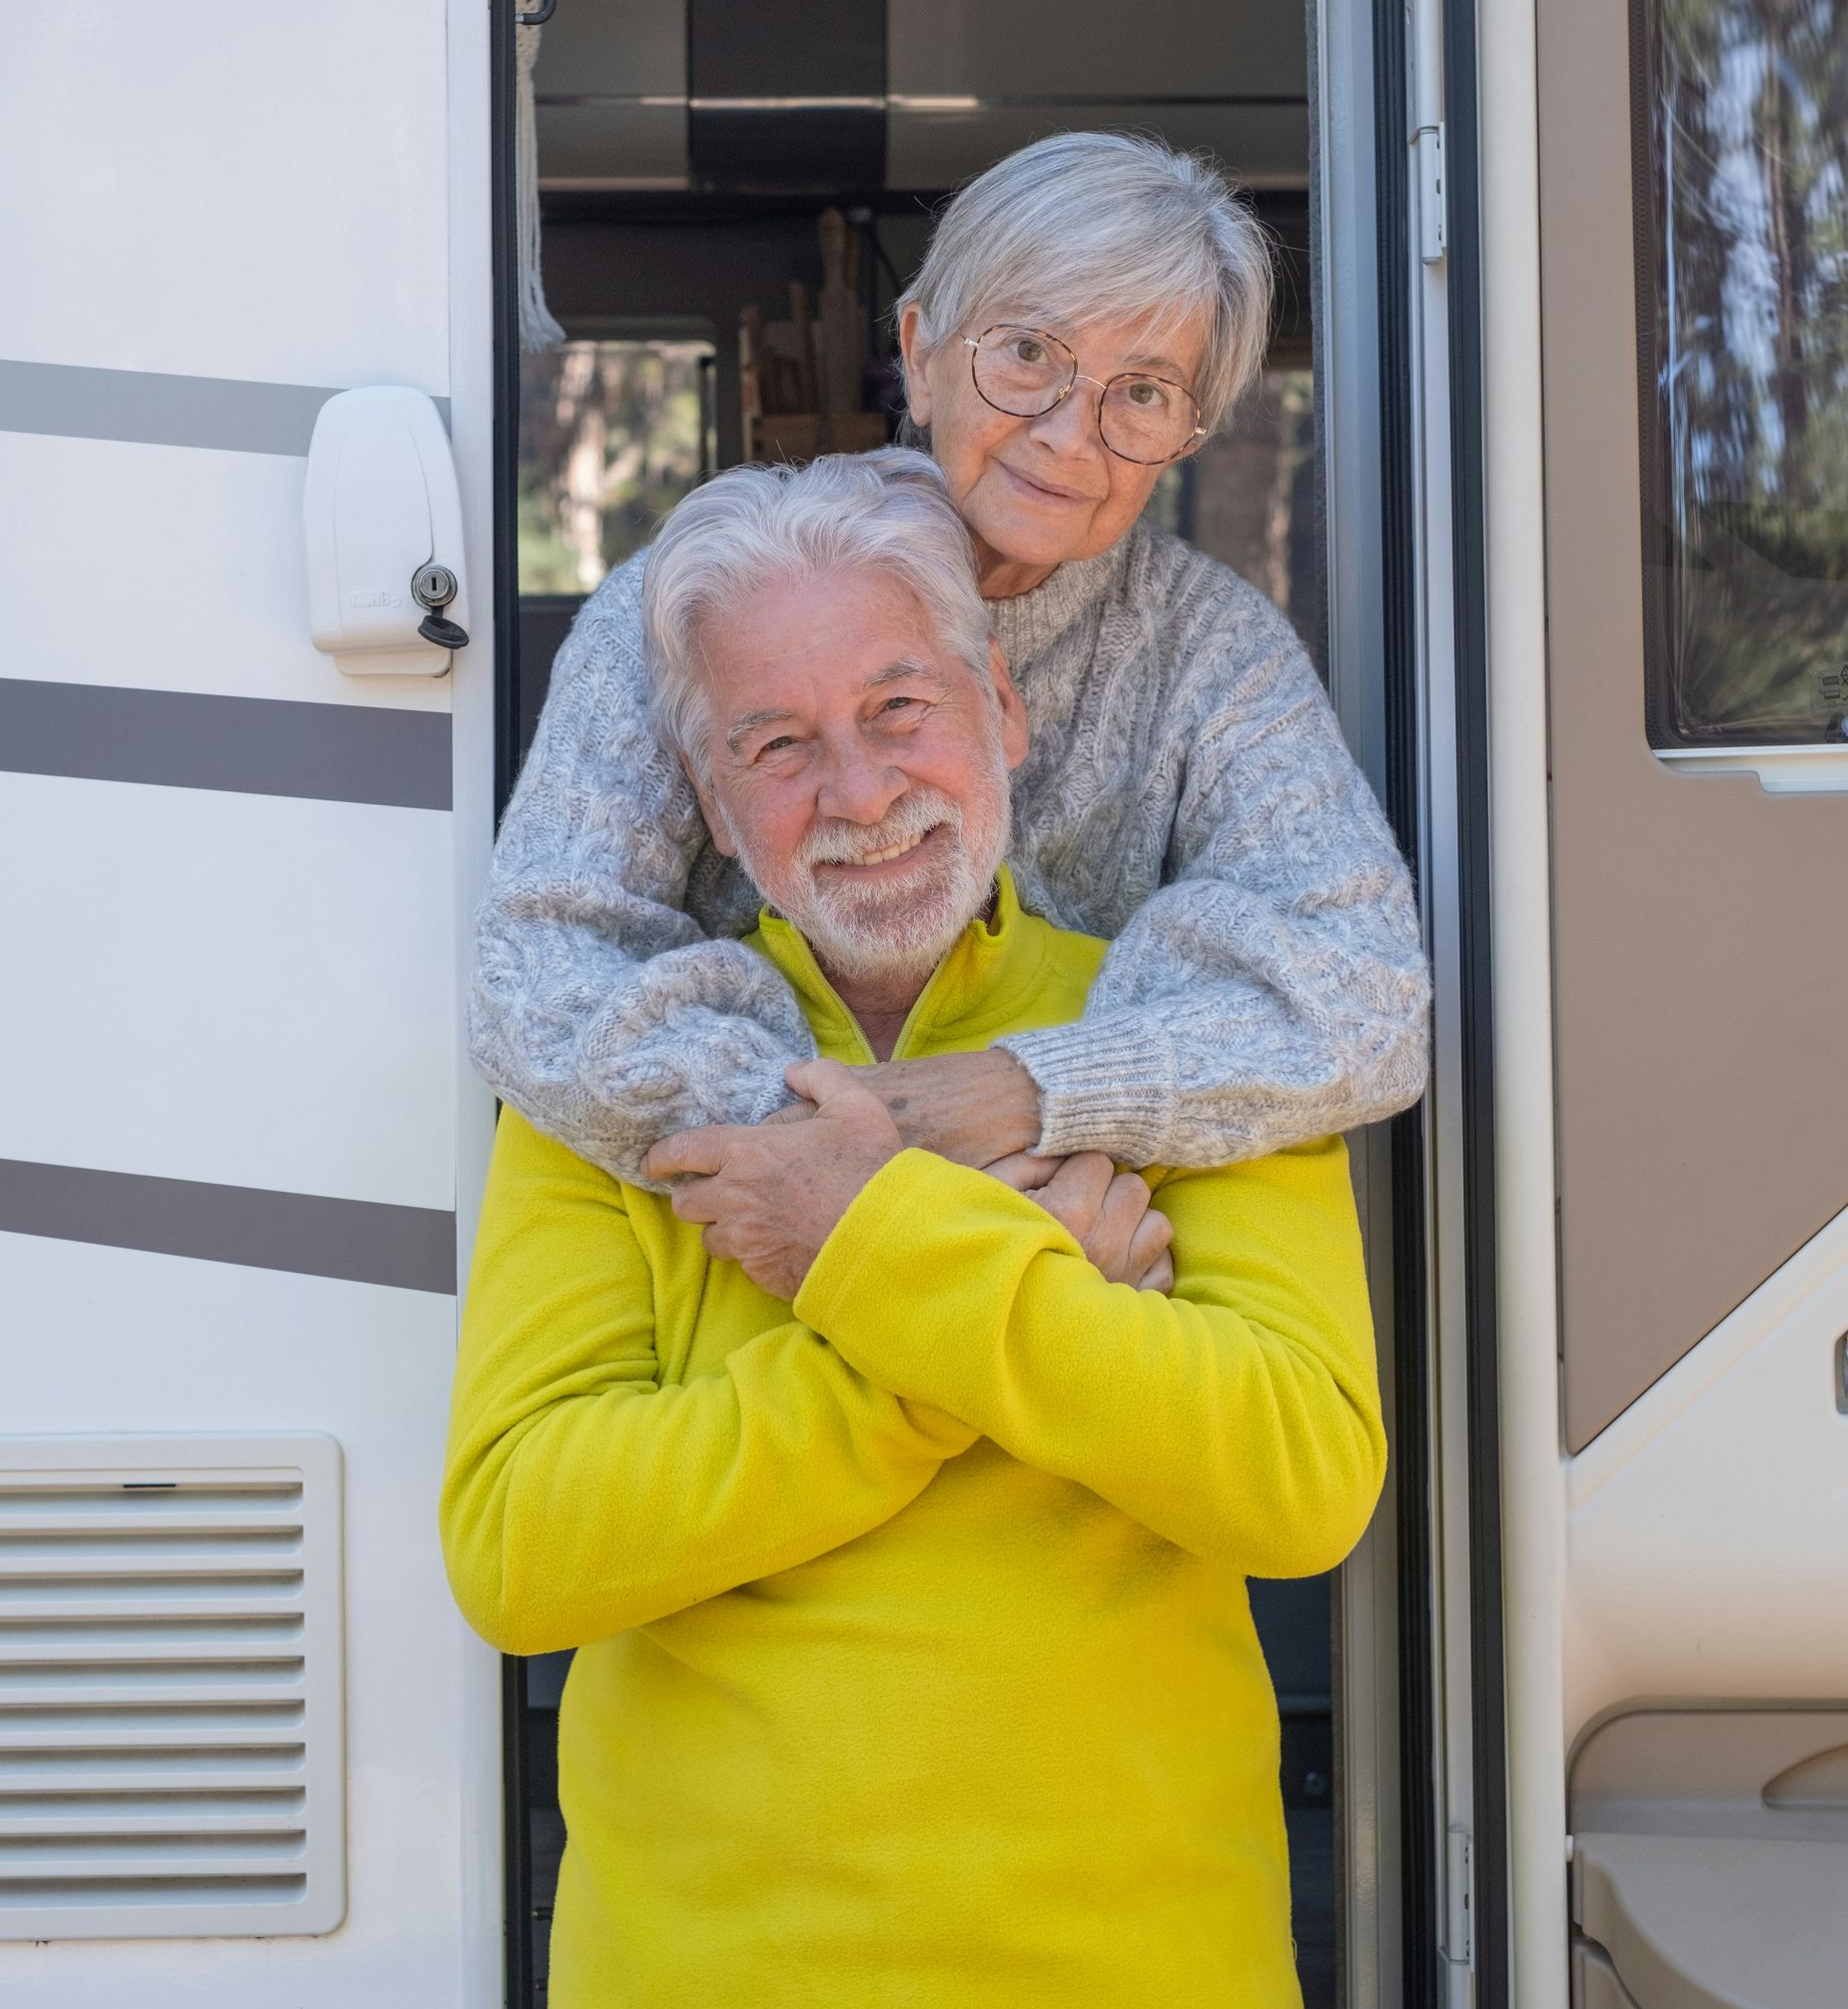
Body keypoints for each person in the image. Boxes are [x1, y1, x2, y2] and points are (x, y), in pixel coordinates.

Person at [442, 453, 1386, 2009]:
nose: (861, 792)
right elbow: (523, 1545)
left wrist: (859, 1246)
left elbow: (1295, 1476)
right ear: (713, 806)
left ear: (1004, 711)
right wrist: (977, 1301)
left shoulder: (1183, 1031)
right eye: (778, 744)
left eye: (901, 709)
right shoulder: (615, 1075)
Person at [471, 133, 1428, 1242]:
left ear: (1185, 436)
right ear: (920, 354)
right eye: (1028, 353)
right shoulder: (686, 611)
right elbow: (536, 975)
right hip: (739, 1253)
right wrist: (851, 1154)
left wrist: (1032, 1090)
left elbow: (1370, 1008)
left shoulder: (1212, 651)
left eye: (1145, 391)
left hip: (1089, 1258)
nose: (1072, 435)